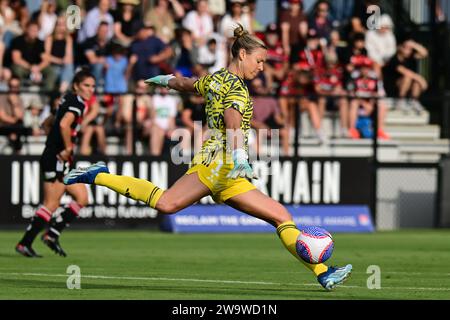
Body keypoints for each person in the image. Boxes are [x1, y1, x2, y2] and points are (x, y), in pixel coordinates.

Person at [63, 24, 352, 290]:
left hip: (230, 173)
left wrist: (165, 80)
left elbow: (189, 84)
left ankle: (323, 272)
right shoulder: (237, 88)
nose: (262, 68)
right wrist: (239, 152)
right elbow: (232, 119)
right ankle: (97, 174)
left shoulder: (215, 79)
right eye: (259, 60)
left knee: (281, 217)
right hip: (217, 163)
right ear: (242, 54)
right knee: (167, 203)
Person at [15, 69, 96, 258]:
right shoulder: (76, 102)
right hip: (57, 159)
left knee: (82, 198)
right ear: (76, 85)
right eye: (86, 85)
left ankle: (52, 234)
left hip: (60, 158)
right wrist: (66, 146)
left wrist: (54, 142)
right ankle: (25, 243)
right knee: (51, 204)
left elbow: (48, 122)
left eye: (92, 86)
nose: (90, 89)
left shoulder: (67, 99)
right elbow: (63, 124)